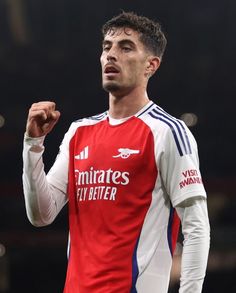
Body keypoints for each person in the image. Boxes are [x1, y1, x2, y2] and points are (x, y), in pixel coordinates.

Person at [22, 11, 210, 293]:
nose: (111, 55)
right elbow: (41, 215)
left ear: (151, 65)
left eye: (125, 47)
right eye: (106, 47)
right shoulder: (78, 131)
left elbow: (197, 228)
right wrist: (33, 146)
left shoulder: (168, 131)